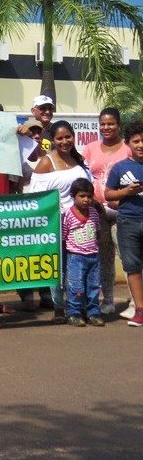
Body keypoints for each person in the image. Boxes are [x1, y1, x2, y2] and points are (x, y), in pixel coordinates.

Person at [28, 120, 91, 324]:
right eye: (60, 138)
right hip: (56, 222)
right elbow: (36, 196)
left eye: (68, 137)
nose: (65, 141)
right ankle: (58, 307)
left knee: (78, 266)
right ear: (53, 140)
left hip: (81, 223)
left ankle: (78, 307)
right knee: (58, 267)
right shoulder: (46, 162)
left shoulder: (79, 159)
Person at [81, 107, 129, 315]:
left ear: (119, 125)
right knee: (104, 257)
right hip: (97, 211)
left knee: (128, 256)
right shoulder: (90, 148)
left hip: (123, 210)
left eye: (111, 124)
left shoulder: (128, 149)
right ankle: (107, 300)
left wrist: (124, 199)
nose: (106, 127)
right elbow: (83, 178)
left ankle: (137, 302)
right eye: (103, 124)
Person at [104, 120, 143, 327]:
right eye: (136, 141)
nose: (141, 145)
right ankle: (139, 309)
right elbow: (108, 193)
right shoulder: (120, 168)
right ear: (128, 143)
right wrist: (126, 192)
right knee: (133, 267)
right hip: (128, 220)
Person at [62, 178, 104, 327]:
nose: (86, 200)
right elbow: (64, 235)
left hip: (93, 256)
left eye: (89, 196)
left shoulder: (93, 213)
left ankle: (93, 313)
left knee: (93, 286)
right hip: (76, 257)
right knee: (76, 286)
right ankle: (74, 313)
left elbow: (97, 232)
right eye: (82, 196)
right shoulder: (68, 214)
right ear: (73, 196)